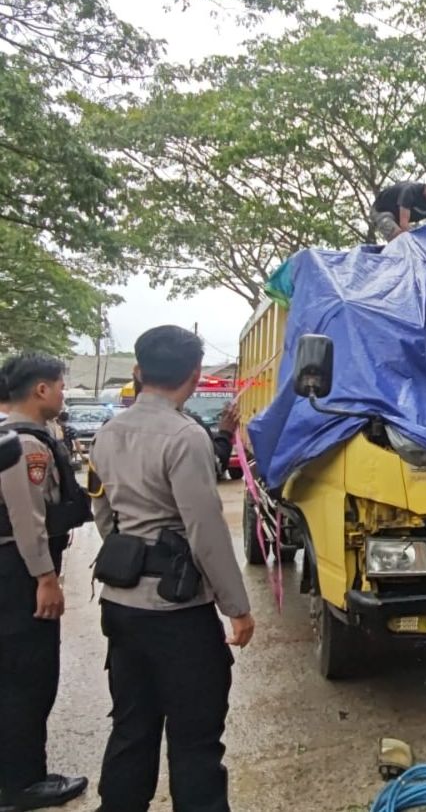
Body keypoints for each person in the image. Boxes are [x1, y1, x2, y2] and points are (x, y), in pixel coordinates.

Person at [88, 326, 254, 812]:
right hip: (177, 614)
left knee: (131, 728)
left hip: (121, 606)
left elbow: (103, 515)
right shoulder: (186, 437)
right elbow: (206, 532)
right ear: (195, 375)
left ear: (139, 372)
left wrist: (132, 559)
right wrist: (237, 608)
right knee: (196, 740)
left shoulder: (106, 432)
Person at [0, 353, 90, 811]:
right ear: (40, 390)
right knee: (27, 677)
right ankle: (22, 782)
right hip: (17, 571)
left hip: (12, 568)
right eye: (59, 386)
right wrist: (46, 578)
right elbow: (27, 521)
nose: (61, 393)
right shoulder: (24, 445)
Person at [369, 176, 426, 242]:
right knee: (401, 238)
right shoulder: (410, 191)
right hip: (382, 210)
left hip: (399, 217)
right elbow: (404, 225)